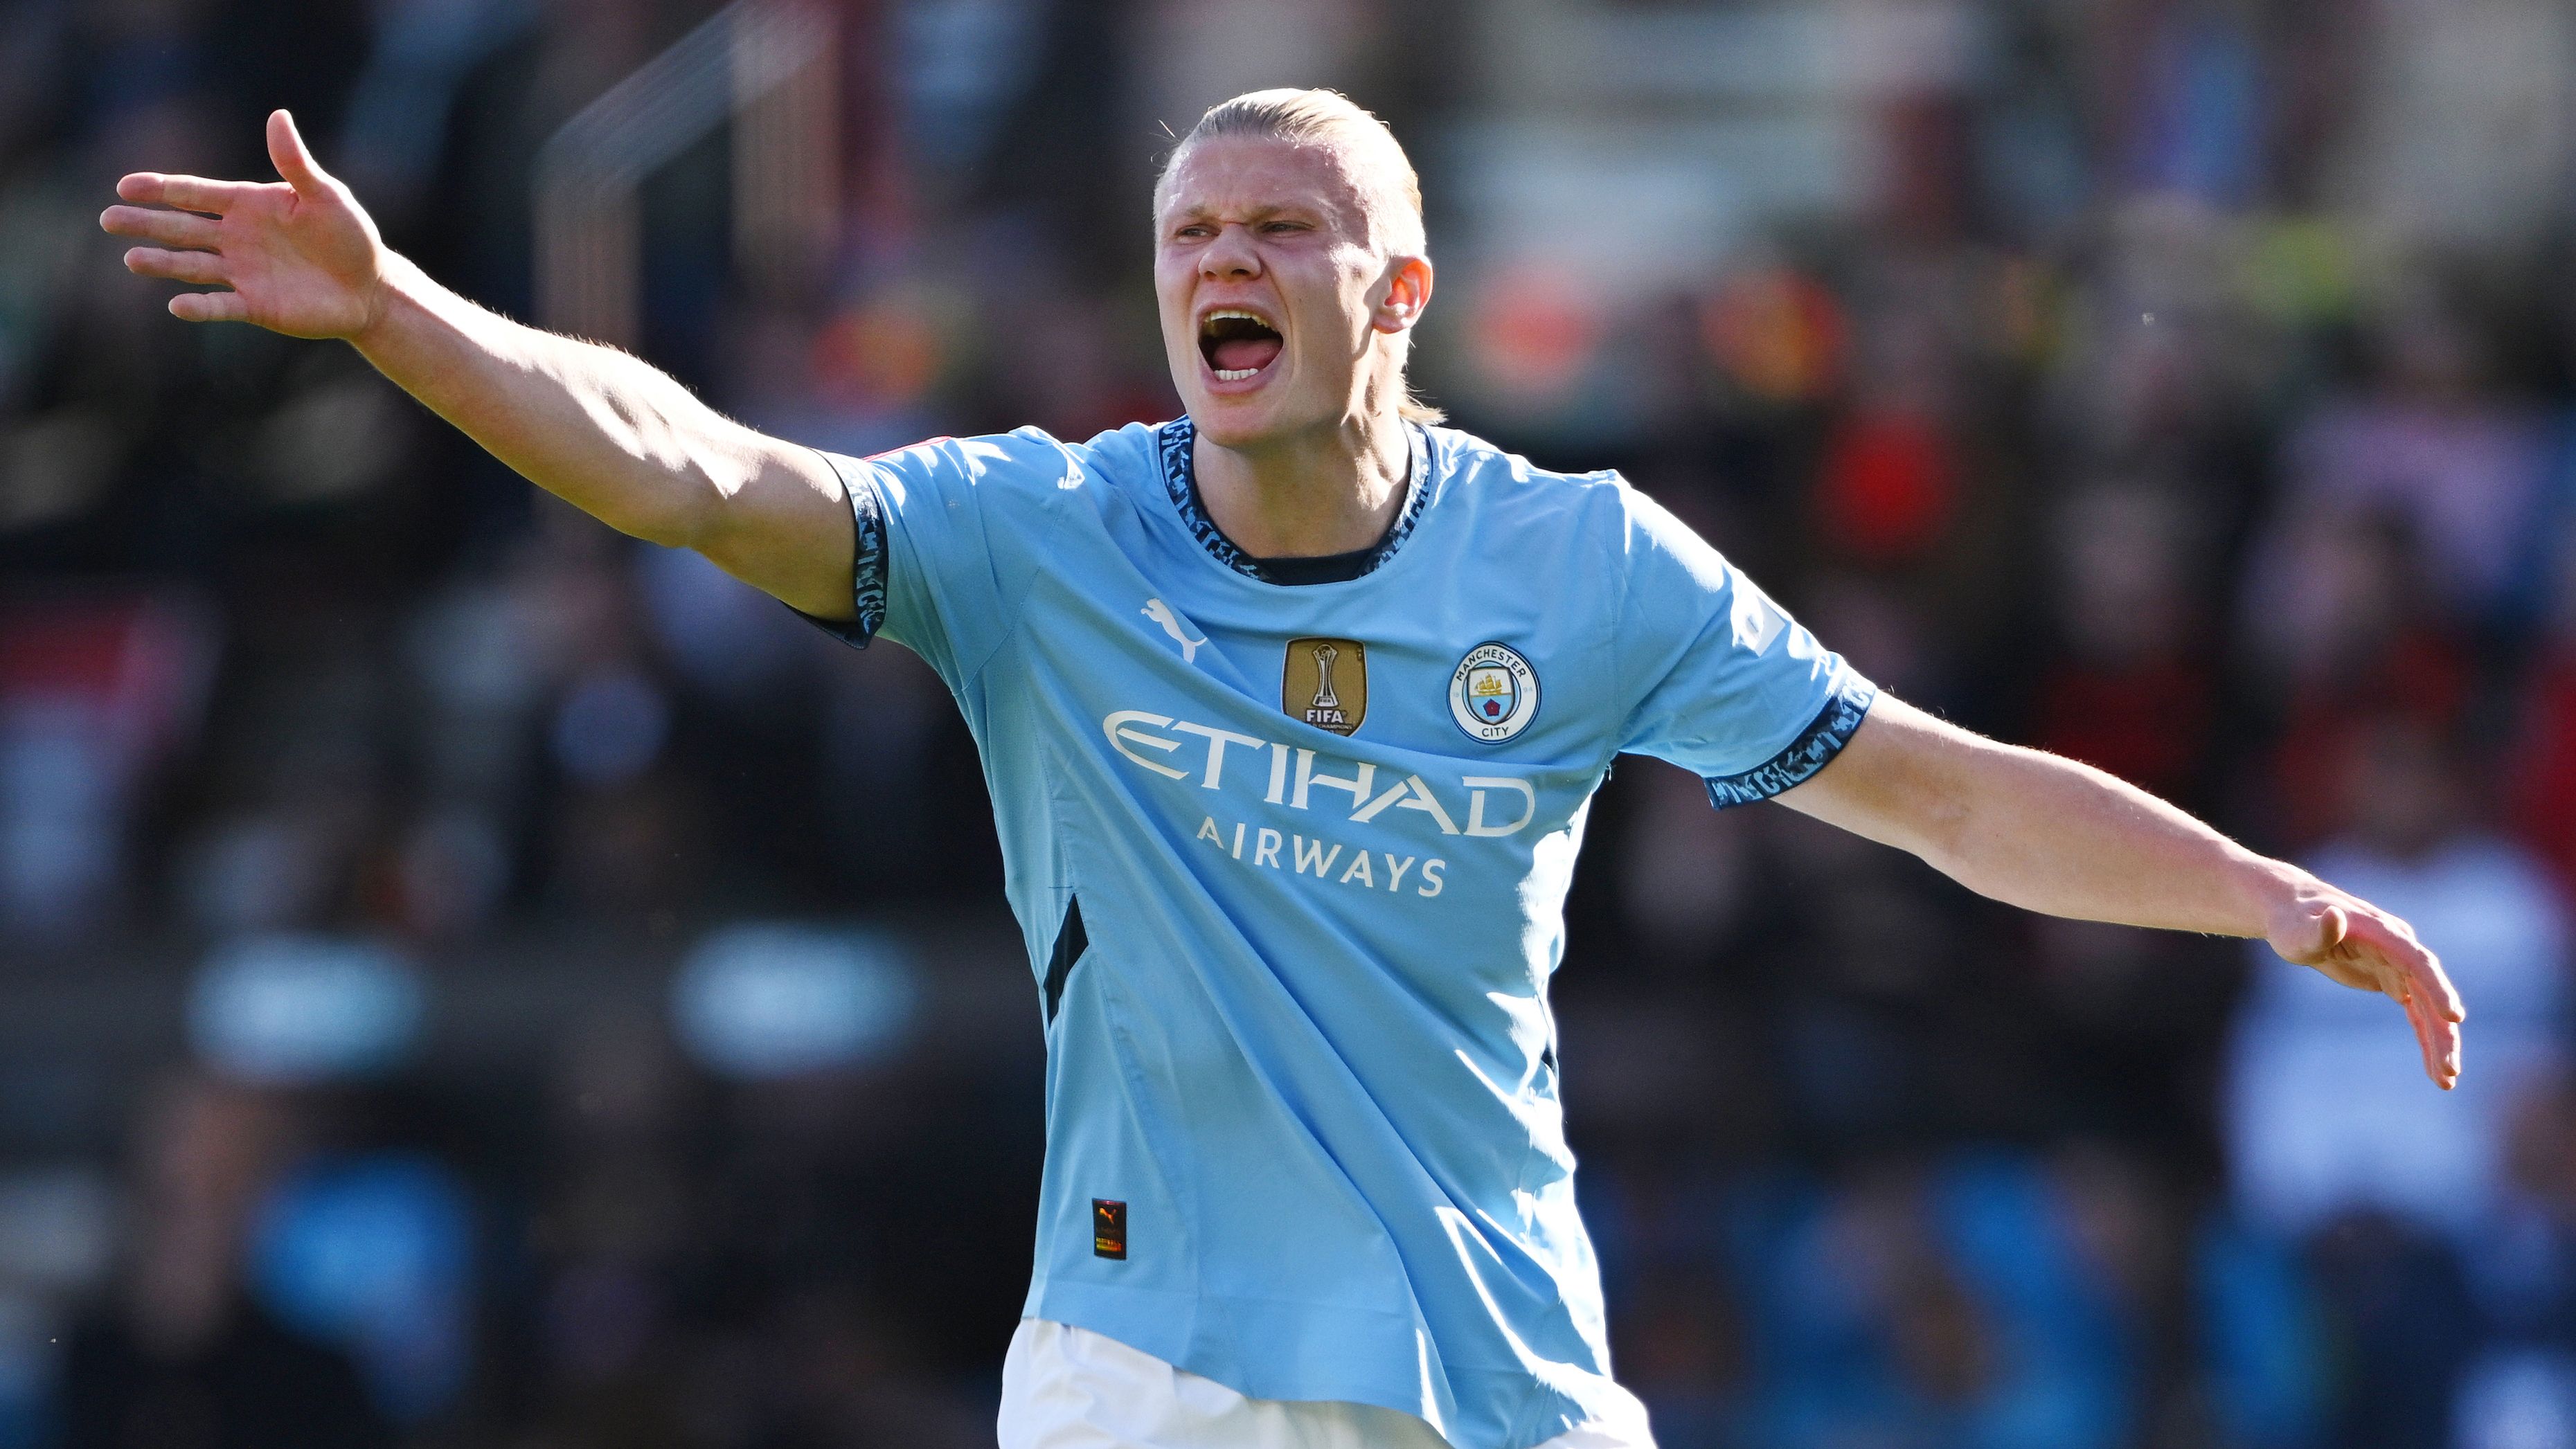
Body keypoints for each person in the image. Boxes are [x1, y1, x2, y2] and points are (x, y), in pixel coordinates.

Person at [101, 89, 2462, 1449]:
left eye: (1282, 230)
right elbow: (697, 474)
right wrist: (405, 315)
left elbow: (1936, 789)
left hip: (1496, 1363)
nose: (1221, 265)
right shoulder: (1037, 541)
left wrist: (2258, 887)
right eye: (1189, 235)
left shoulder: (1586, 568)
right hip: (1152, 1375)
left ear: (1400, 296)